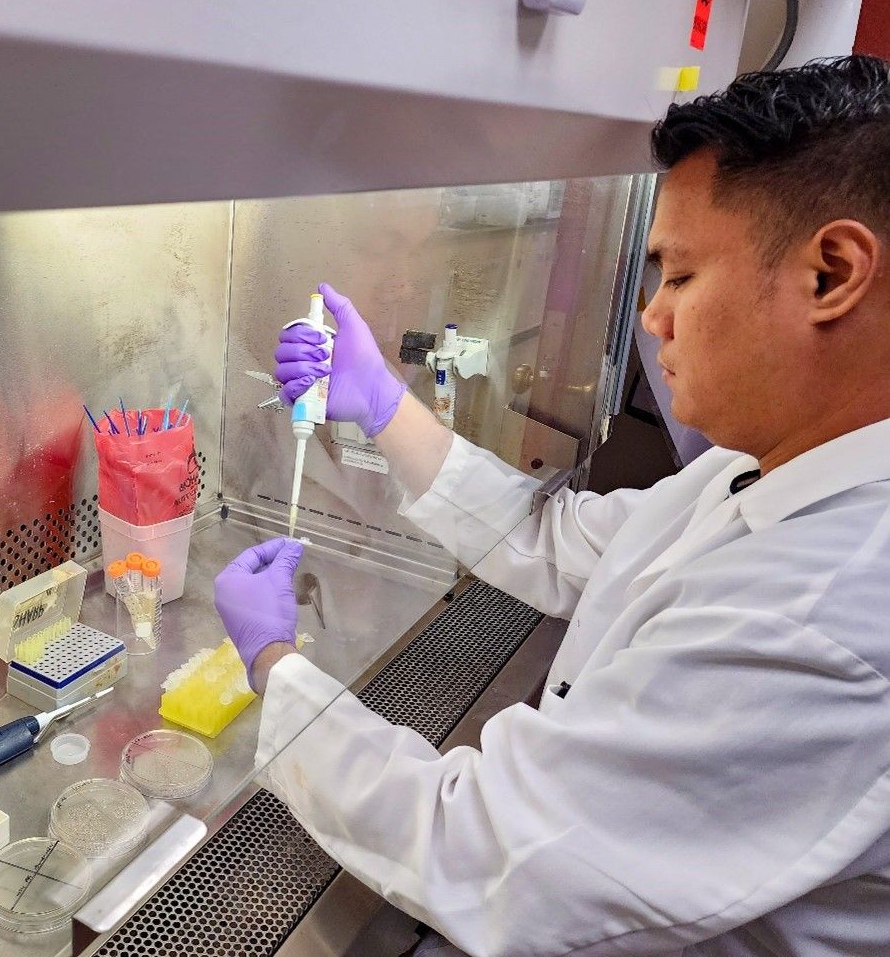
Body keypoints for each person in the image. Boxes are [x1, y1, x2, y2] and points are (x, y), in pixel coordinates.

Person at [212, 56, 890, 957]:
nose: (653, 318)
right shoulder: (769, 465)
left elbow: (483, 853)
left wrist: (276, 665)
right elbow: (558, 537)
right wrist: (381, 403)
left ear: (831, 272)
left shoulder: (830, 615)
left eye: (681, 276)